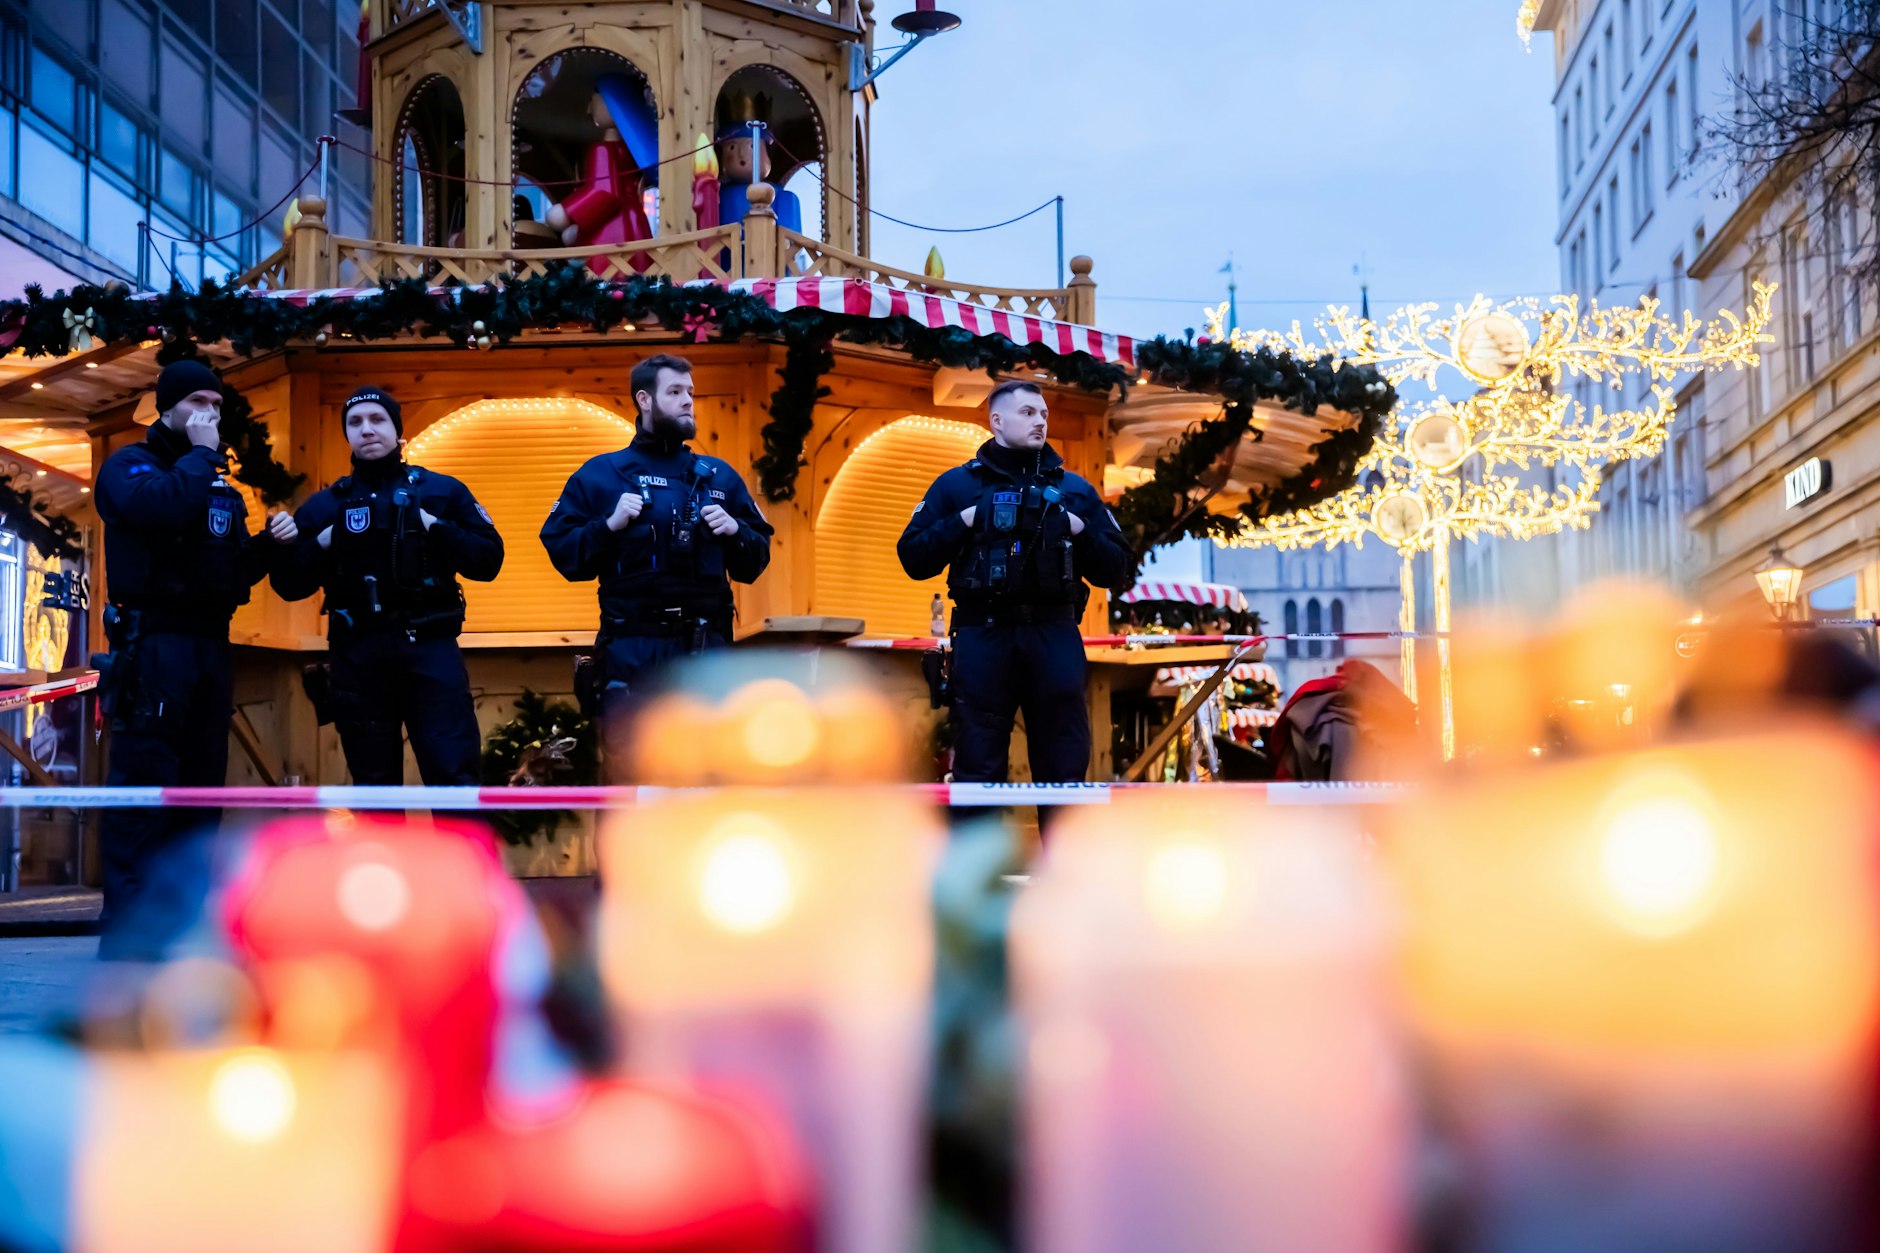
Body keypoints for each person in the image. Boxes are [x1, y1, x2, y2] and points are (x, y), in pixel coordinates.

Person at [93, 358, 299, 958]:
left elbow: (228, 576)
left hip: (211, 649)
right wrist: (205, 455)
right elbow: (159, 508)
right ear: (167, 408)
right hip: (153, 647)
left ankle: (185, 931)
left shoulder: (217, 487)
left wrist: (265, 546)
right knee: (144, 792)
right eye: (196, 403)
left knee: (201, 792)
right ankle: (129, 941)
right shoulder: (130, 466)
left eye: (215, 404)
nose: (208, 414)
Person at [898, 380, 1133, 785]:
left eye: (1043, 414)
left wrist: (1079, 529)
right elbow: (913, 557)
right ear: (996, 421)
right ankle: (982, 850)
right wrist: (966, 520)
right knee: (977, 766)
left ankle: (1061, 851)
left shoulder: (1074, 491)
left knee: (1064, 767)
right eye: (1027, 413)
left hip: (1054, 635)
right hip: (983, 637)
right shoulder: (958, 486)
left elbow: (1117, 570)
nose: (1040, 421)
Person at [274, 387, 504, 785]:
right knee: (373, 786)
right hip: (357, 656)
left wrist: (436, 527)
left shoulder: (441, 492)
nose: (367, 430)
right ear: (346, 434)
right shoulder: (325, 506)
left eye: (377, 420)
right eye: (355, 423)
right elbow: (289, 585)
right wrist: (323, 542)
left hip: (430, 650)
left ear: (397, 431)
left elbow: (488, 561)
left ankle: (460, 850)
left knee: (455, 776)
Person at [540, 353, 772, 722]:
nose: (687, 402)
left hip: (706, 650)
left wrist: (736, 531)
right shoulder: (602, 475)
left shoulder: (719, 478)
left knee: (709, 767)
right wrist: (608, 526)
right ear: (644, 399)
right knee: (632, 767)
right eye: (675, 391)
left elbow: (755, 562)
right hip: (632, 650)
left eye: (690, 393)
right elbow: (565, 555)